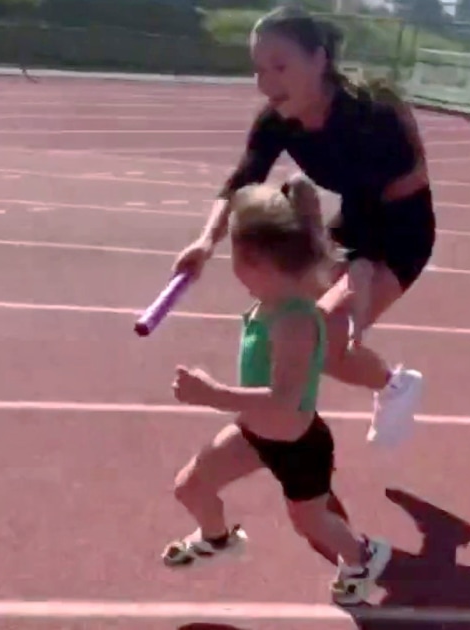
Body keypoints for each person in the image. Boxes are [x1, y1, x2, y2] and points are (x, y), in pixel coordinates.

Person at [172, 5, 435, 448]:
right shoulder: (278, 120)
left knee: (328, 344)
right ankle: (362, 396)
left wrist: (360, 272)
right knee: (304, 327)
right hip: (353, 223)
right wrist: (205, 242)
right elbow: (242, 181)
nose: (266, 83)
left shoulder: (372, 115)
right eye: (258, 69)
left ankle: (396, 386)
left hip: (400, 234)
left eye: (280, 66)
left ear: (319, 60)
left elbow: (383, 200)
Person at [162, 176, 392, 605]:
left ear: (258, 263)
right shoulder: (272, 299)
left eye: (234, 256)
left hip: (298, 445)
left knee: (310, 521)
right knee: (190, 486)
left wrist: (212, 394)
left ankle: (363, 557)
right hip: (255, 434)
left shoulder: (295, 320)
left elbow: (284, 398)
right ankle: (218, 539)